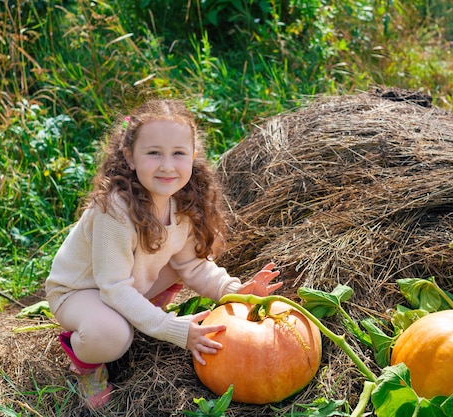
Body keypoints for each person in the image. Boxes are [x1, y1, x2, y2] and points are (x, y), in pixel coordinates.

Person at [45, 99, 282, 409]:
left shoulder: (181, 202)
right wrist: (173, 329)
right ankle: (86, 363)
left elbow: (194, 267)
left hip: (125, 286)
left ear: (194, 156)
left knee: (177, 265)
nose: (168, 165)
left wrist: (236, 290)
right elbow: (113, 287)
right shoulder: (115, 209)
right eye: (154, 152)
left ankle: (137, 316)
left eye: (179, 153)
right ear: (130, 157)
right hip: (80, 290)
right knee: (112, 337)